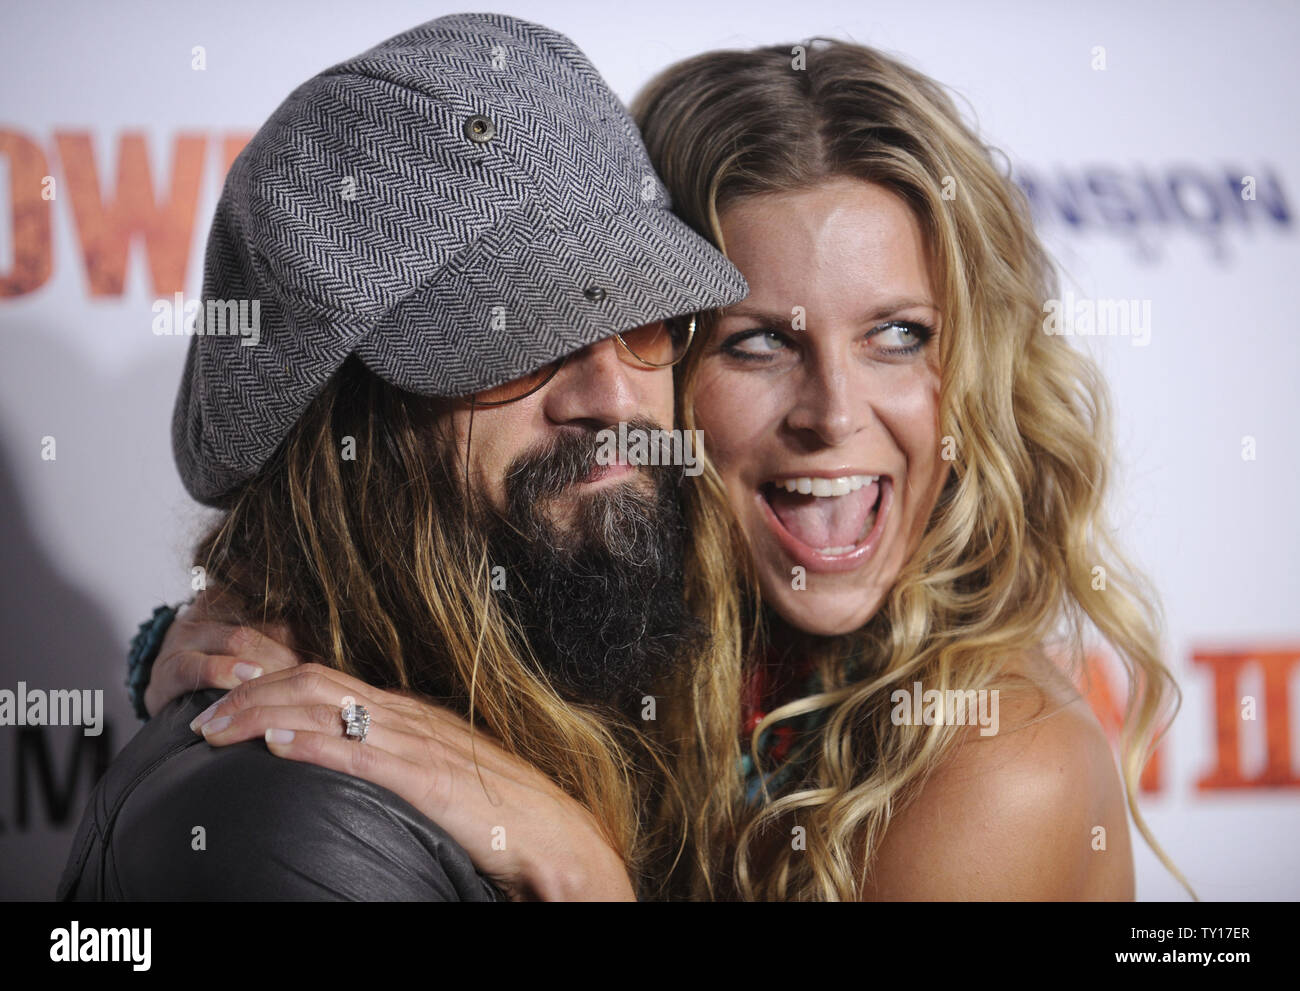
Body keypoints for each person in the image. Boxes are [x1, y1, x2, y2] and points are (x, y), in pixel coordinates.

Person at [124, 38, 1192, 901]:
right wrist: (213, 642)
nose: (832, 415)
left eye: (900, 334)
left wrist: (584, 875)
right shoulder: (625, 629)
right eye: (756, 341)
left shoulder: (994, 766)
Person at [57, 13, 749, 902]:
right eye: (520, 341)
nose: (613, 398)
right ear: (334, 432)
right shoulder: (293, 832)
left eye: (646, 320)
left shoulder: (604, 670)